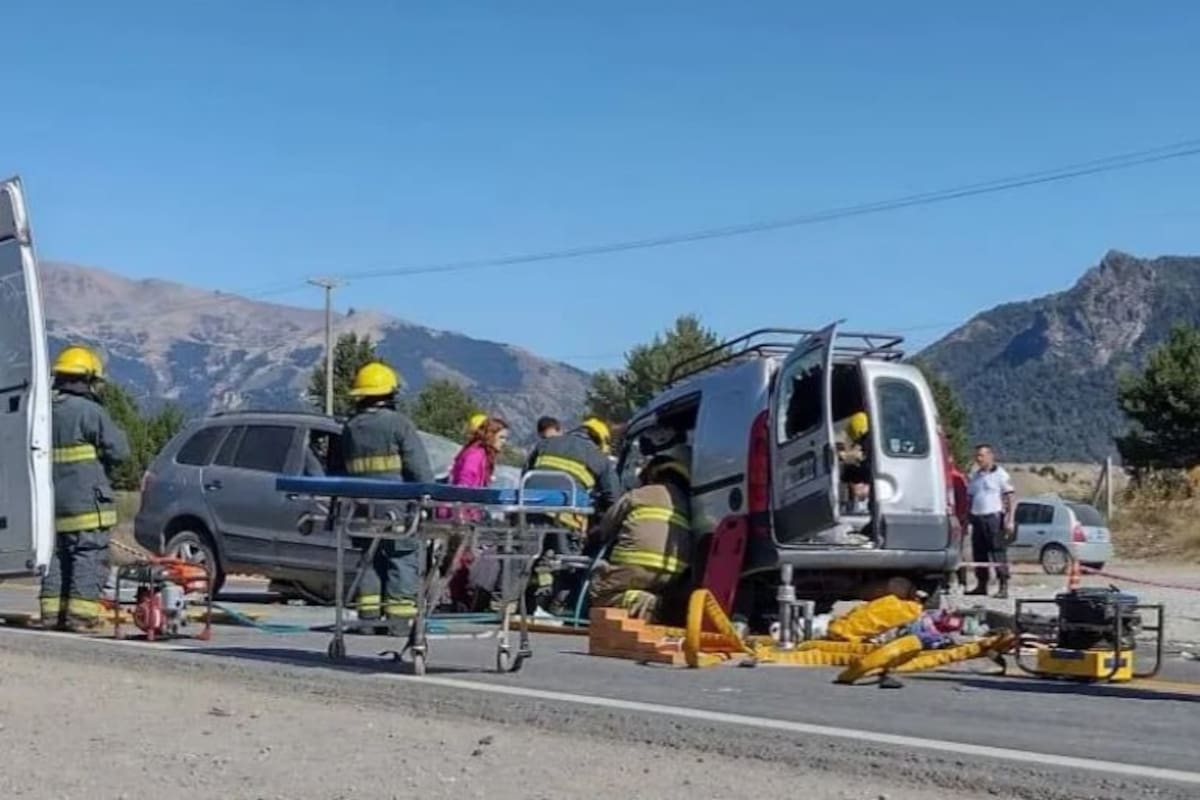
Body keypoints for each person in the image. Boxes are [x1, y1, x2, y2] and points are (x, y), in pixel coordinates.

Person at [40, 345, 130, 631]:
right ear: (87, 379)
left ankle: (51, 614)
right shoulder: (90, 411)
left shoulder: (42, 410)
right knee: (88, 554)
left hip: (51, 504)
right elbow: (120, 452)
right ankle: (80, 616)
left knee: (56, 555)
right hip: (85, 506)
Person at [341, 361, 434, 620]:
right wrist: (431, 497)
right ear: (390, 394)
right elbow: (419, 470)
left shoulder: (350, 427)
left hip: (361, 508)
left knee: (369, 558)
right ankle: (399, 620)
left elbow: (338, 468)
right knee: (402, 557)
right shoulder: (398, 424)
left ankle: (368, 618)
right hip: (396, 509)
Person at [522, 416, 620, 612]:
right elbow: (613, 498)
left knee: (524, 561)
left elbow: (525, 475)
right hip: (567, 518)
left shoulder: (546, 443)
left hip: (530, 511)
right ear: (600, 440)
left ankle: (516, 605)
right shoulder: (599, 457)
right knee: (568, 566)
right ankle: (558, 608)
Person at [588, 449, 694, 622]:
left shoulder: (639, 494)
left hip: (633, 567)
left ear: (652, 475)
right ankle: (654, 606)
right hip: (672, 576)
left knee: (601, 594)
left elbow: (606, 527)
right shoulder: (689, 505)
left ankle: (644, 602)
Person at [444, 418, 510, 609]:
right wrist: (464, 513)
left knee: (463, 557)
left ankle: (460, 599)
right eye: (501, 437)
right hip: (463, 513)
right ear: (490, 435)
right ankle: (459, 600)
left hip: (468, 512)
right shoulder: (476, 455)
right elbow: (464, 484)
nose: (504, 442)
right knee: (462, 558)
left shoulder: (478, 454)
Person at [966, 444, 1015, 599]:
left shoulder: (1001, 475)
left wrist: (1009, 519)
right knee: (979, 553)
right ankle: (981, 584)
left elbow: (1009, 497)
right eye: (977, 456)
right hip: (977, 518)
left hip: (994, 518)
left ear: (990, 456)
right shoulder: (975, 476)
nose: (978, 459)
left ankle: (1003, 585)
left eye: (981, 455)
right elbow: (970, 496)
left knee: (998, 552)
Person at [836, 411, 872, 514]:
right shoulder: (871, 439)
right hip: (867, 476)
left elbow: (860, 457)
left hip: (867, 476)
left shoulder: (866, 442)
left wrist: (844, 456)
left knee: (848, 474)